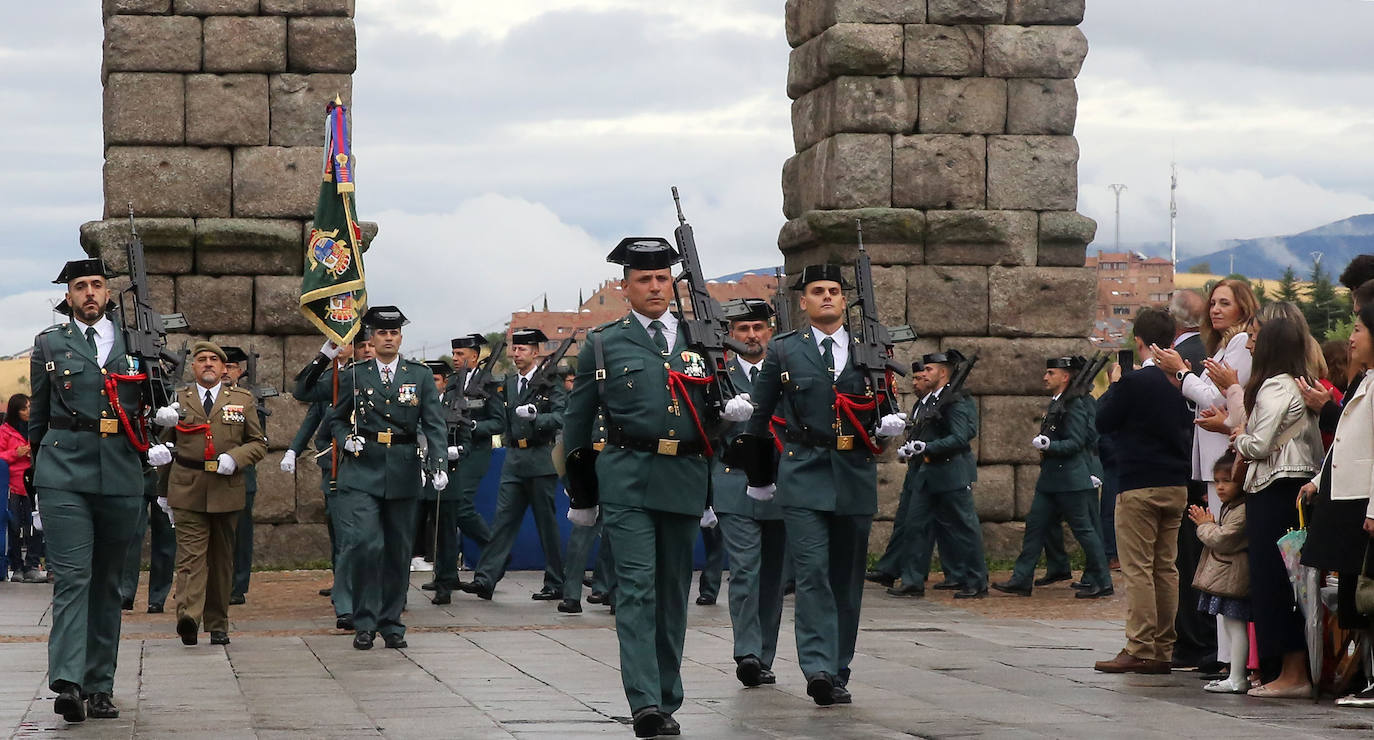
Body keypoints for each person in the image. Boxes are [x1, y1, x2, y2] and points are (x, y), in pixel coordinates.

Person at [562, 238, 749, 738]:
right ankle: (645, 701)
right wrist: (582, 496)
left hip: (685, 479)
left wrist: (730, 420)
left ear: (673, 283)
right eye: (643, 279)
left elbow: (714, 416)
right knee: (638, 589)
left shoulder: (702, 341)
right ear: (625, 288)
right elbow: (577, 424)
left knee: (671, 592)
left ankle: (668, 694)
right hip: (626, 477)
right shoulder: (604, 343)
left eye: (662, 278)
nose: (654, 287)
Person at [743, 263, 909, 706]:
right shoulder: (784, 350)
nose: (827, 297)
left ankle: (838, 668)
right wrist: (760, 478)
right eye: (818, 291)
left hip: (853, 471)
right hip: (802, 470)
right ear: (804, 301)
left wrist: (888, 425)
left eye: (834, 290)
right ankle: (816, 667)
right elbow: (759, 422)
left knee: (847, 576)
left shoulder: (868, 348)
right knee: (812, 572)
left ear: (844, 298)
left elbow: (885, 404)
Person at [30, 258, 179, 722]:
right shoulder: (49, 344)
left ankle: (100, 685)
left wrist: (162, 428)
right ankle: (69, 681)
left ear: (109, 293)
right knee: (74, 578)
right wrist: (37, 481)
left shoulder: (139, 344)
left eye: (97, 285)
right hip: (63, 470)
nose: (90, 293)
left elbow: (156, 402)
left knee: (109, 583)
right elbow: (38, 415)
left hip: (120, 470)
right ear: (69, 297)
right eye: (80, 287)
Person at [315, 306, 448, 650]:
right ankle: (364, 620)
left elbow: (434, 424)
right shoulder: (356, 374)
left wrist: (438, 465)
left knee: (399, 550)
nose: (388, 338)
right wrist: (346, 439)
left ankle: (391, 623)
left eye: (394, 333)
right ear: (372, 338)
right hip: (363, 468)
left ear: (400, 338)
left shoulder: (418, 375)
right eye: (382, 333)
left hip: (403, 469)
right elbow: (336, 419)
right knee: (366, 544)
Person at [1154, 278, 1258, 673]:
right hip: (1217, 455)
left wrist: (1181, 374)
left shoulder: (1241, 343)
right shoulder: (1225, 344)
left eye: (1225, 303)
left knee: (1223, 548)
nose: (1215, 310)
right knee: (1215, 549)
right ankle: (1224, 655)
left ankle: (1228, 658)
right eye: (1213, 303)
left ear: (1243, 307)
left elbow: (1218, 398)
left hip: (1228, 456)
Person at [1091, 308, 1193, 674]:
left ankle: (1140, 645)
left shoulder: (1135, 382)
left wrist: (1117, 382)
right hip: (1176, 482)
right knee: (1166, 568)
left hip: (1139, 483)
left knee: (1137, 568)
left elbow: (1102, 420)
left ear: (1139, 342)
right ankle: (1164, 647)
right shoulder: (1181, 379)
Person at [147, 341, 267, 647]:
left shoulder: (242, 399)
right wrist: (162, 490)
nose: (209, 364)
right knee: (190, 557)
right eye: (202, 359)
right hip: (187, 485)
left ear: (224, 368)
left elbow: (258, 442)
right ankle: (188, 616)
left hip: (226, 487)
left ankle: (217, 622)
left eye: (215, 359)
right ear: (194, 367)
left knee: (222, 559)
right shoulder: (179, 400)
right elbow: (163, 445)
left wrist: (236, 458)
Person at [1230, 317, 1321, 698]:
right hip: (1297, 487)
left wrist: (1239, 438)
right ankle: (1290, 670)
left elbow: (1260, 444)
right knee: (1294, 582)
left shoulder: (1273, 387)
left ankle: (1292, 672)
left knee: (1273, 582)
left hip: (1272, 487)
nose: (1250, 346)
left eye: (1255, 340)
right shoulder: (1305, 385)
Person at [710, 298, 787, 687]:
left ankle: (765, 655)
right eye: (743, 329)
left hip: (779, 483)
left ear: (769, 331)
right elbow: (699, 429)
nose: (751, 336)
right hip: (734, 481)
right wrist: (722, 416)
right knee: (745, 570)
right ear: (730, 335)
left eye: (758, 328)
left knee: (773, 574)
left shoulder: (784, 370)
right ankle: (748, 652)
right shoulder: (717, 374)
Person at [1300, 303, 1374, 706]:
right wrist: (1317, 481)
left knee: (1366, 594)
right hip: (1345, 498)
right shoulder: (1364, 380)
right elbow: (1346, 442)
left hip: (1363, 500)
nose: (1351, 336)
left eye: (1359, 328)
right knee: (1353, 595)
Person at [459, 328, 566, 601]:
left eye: (522, 350)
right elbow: (501, 419)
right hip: (514, 460)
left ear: (535, 352)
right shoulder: (508, 383)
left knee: (546, 524)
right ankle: (486, 578)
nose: (516, 354)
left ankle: (556, 581)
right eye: (514, 349)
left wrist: (536, 418)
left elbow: (562, 416)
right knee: (503, 522)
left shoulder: (551, 382)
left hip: (541, 458)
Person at [286, 329, 371, 628]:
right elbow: (303, 394)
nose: (367, 350)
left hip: (379, 466)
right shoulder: (339, 379)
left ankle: (375, 595)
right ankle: (345, 596)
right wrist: (323, 357)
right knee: (345, 535)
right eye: (362, 345)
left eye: (368, 345)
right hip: (342, 465)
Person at [891, 350, 987, 599]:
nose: (923, 374)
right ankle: (912, 580)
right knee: (915, 526)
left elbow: (962, 435)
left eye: (929, 370)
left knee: (964, 528)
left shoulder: (955, 399)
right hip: (927, 472)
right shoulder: (932, 401)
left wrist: (928, 447)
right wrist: (913, 447)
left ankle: (977, 581)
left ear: (943, 372)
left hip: (951, 471)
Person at [867, 361, 960, 594]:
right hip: (918, 469)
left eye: (923, 376)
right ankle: (892, 568)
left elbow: (958, 436)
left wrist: (924, 447)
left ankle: (926, 577)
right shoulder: (922, 405)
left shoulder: (947, 403)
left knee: (931, 525)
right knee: (905, 521)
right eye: (917, 378)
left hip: (938, 471)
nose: (918, 382)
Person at [420, 333, 501, 602]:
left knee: (461, 505)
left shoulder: (489, 384)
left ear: (474, 356)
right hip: (451, 453)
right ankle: (447, 575)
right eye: (454, 354)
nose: (455, 359)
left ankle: (495, 553)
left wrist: (475, 427)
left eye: (461, 355)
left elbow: (500, 422)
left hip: (475, 451)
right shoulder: (453, 383)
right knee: (447, 510)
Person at [1166, 288, 1218, 672]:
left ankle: (1194, 641)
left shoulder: (1181, 359)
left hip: (1192, 467)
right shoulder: (1212, 351)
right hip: (1211, 469)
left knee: (1190, 556)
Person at [1189, 453, 1250, 693]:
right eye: (1217, 481)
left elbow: (1224, 539)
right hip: (1229, 576)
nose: (1221, 487)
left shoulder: (1241, 510)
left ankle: (1237, 676)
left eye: (1227, 481)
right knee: (1230, 626)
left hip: (1234, 577)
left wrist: (1205, 525)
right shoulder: (1231, 507)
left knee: (1236, 627)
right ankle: (1236, 674)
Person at [220, 346, 266, 607]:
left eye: (231, 367)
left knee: (240, 534)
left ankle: (237, 585)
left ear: (240, 371)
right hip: (207, 475)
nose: (226, 371)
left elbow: (259, 439)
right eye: (222, 366)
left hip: (241, 475)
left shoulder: (248, 399)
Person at [117, 466, 175, 614]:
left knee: (165, 540)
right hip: (136, 473)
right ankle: (125, 592)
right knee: (131, 535)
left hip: (167, 474)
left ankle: (157, 598)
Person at [2, 393, 41, 582]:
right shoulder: (5, 432)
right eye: (25, 408)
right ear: (16, 411)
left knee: (33, 526)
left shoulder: (35, 429)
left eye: (30, 407)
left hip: (32, 484)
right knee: (15, 527)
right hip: (13, 485)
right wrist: (15, 453)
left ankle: (32, 565)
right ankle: (16, 565)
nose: (29, 411)